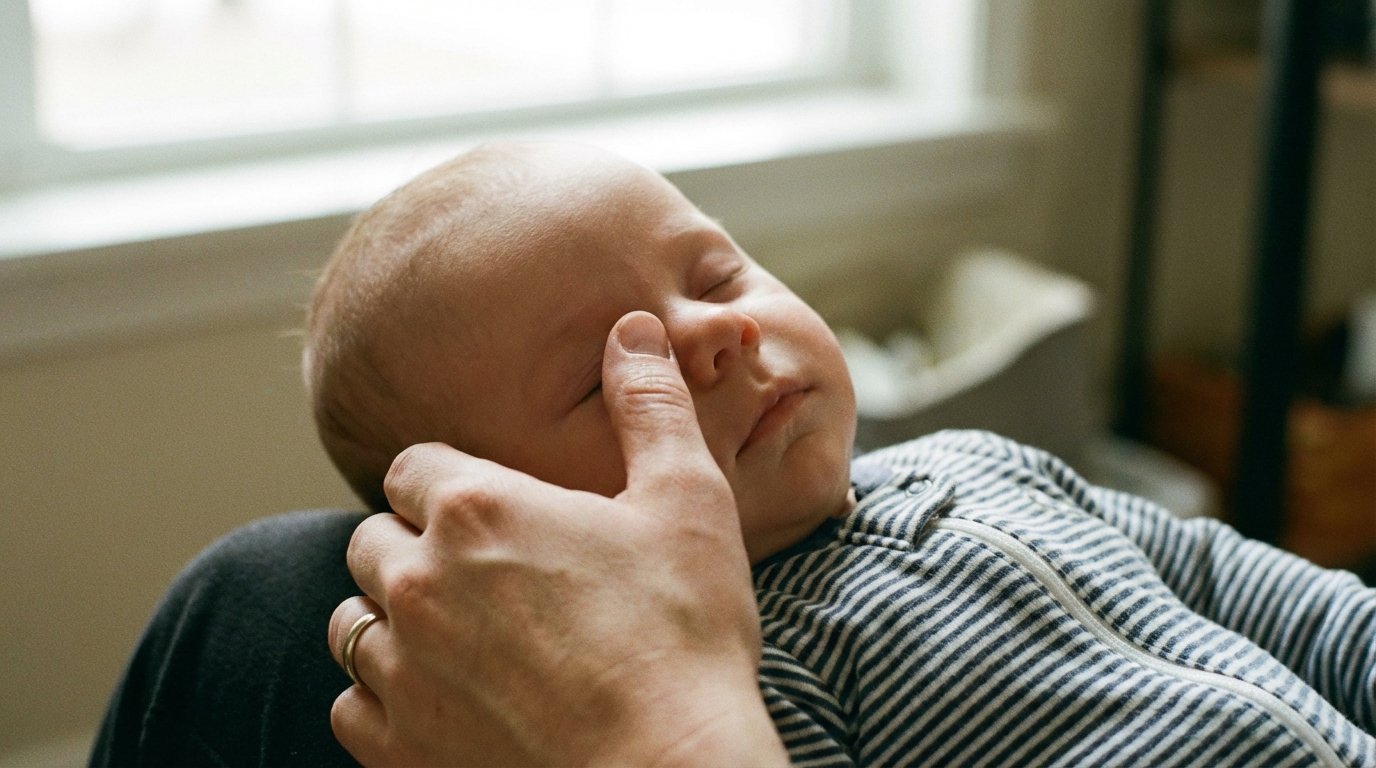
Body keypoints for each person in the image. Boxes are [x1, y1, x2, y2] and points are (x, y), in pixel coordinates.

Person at [95, 141, 1376, 766]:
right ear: (506, 533)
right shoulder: (759, 677)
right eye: (611, 375)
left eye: (714, 276)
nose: (712, 334)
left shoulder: (978, 462)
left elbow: (1252, 592)